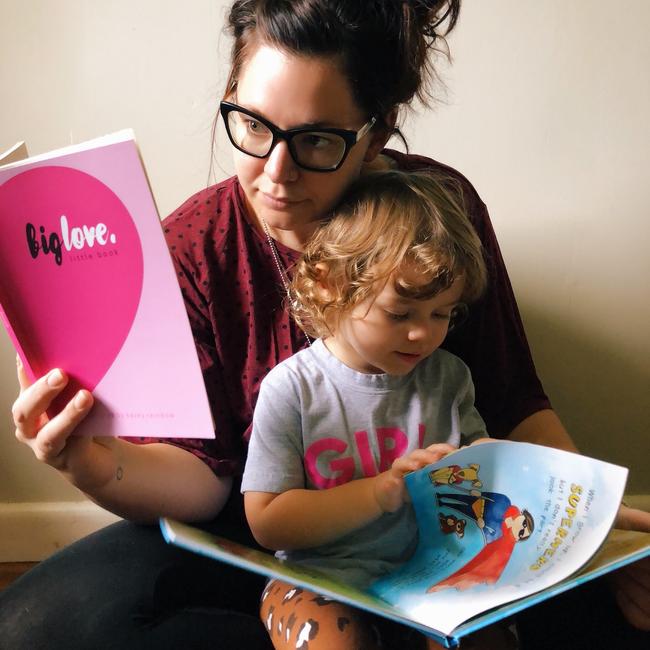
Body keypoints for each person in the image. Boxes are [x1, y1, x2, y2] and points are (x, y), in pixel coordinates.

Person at [1, 1, 647, 648]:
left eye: (315, 140)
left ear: (375, 133)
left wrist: (595, 533)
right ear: (230, 96)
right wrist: (86, 463)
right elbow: (203, 480)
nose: (276, 174)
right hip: (260, 546)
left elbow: (513, 403)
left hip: (429, 544)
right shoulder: (194, 247)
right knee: (31, 628)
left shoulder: (438, 215)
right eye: (253, 125)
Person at [242, 169, 491, 649]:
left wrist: (491, 463)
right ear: (330, 283)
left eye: (442, 313)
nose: (424, 333)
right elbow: (268, 520)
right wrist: (379, 494)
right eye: (400, 314)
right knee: (329, 637)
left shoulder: (449, 378)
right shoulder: (291, 389)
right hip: (316, 579)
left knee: (487, 632)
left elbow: (478, 479)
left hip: (431, 574)